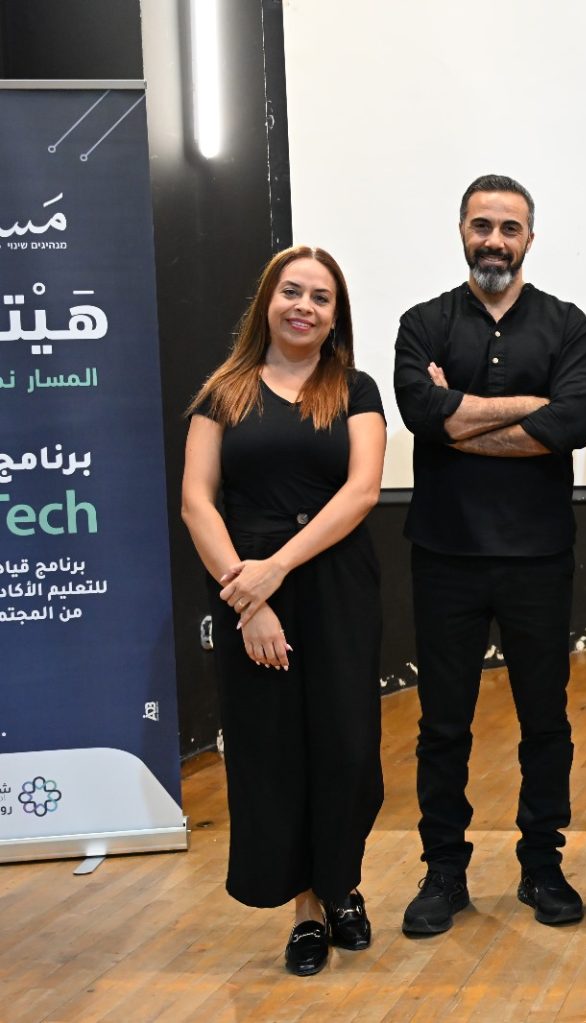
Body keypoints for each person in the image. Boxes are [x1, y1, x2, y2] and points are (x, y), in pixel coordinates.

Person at [394, 174, 586, 935]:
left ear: (529, 239)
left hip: (538, 555)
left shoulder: (569, 325)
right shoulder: (423, 323)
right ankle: (443, 871)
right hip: (444, 553)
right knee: (443, 725)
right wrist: (527, 408)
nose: (495, 241)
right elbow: (422, 412)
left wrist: (461, 415)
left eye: (509, 228)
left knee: (545, 721)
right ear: (462, 231)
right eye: (482, 225)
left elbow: (573, 423)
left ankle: (542, 865)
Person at [181, 245, 386, 976]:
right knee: (274, 753)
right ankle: (308, 910)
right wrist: (250, 597)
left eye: (320, 297)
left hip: (334, 584)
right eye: (292, 292)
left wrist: (277, 569)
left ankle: (342, 883)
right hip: (246, 588)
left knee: (348, 747)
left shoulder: (355, 388)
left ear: (336, 316)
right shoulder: (224, 391)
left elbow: (362, 491)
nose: (304, 306)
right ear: (267, 301)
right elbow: (197, 501)